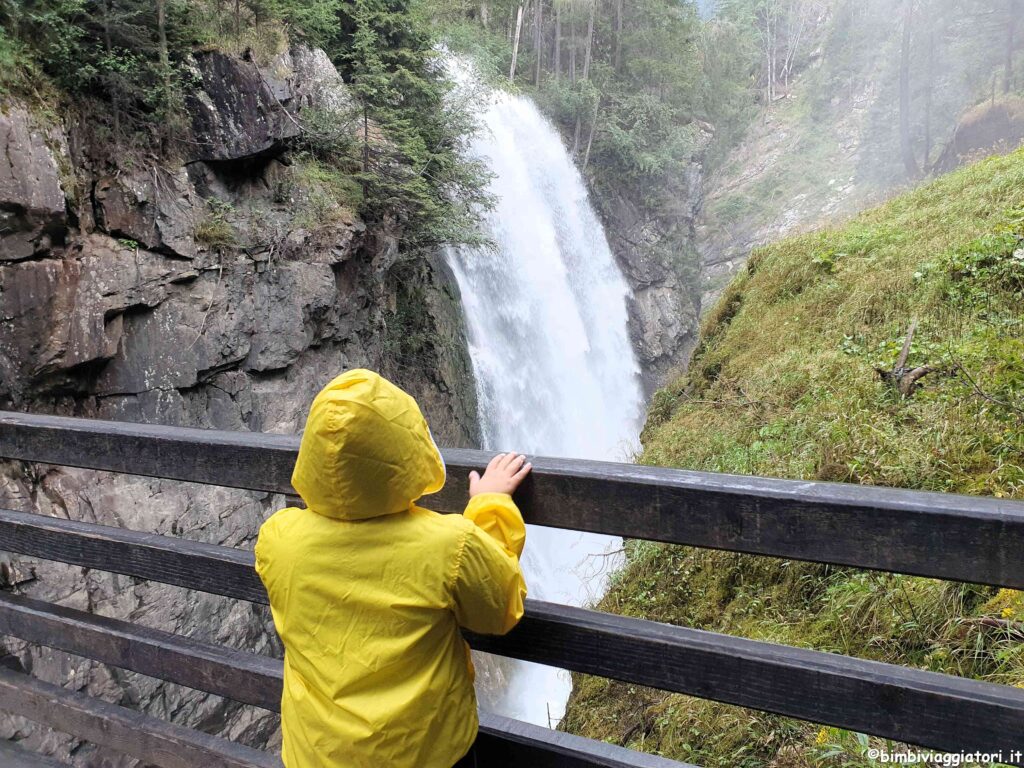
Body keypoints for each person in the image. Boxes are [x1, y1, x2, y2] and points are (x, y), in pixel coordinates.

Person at [255, 369, 531, 768]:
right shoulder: (448, 546)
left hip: (318, 756)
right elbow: (501, 604)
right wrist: (490, 505)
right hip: (424, 755)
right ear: (405, 449)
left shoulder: (278, 539)